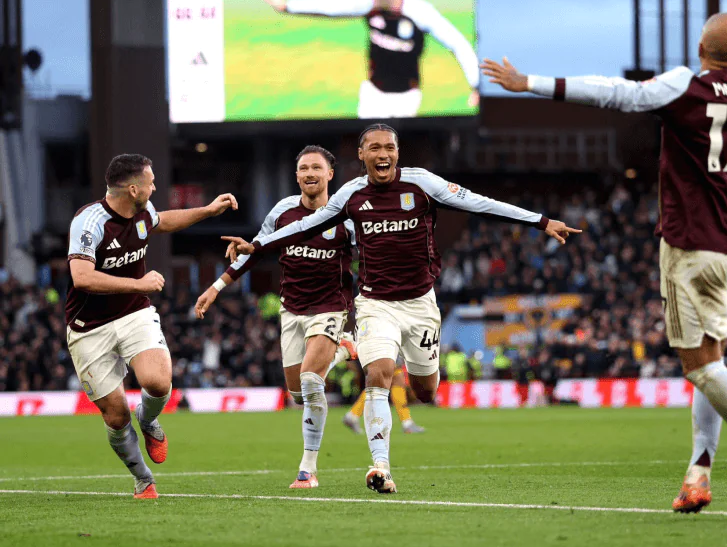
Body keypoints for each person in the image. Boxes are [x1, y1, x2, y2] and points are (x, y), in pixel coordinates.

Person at [482, 15, 727, 521]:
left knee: (701, 367)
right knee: (713, 362)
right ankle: (698, 475)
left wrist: (530, 83)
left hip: (690, 246)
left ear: (699, 48)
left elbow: (614, 93)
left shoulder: (685, 87)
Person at [222, 123, 580, 493]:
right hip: (375, 304)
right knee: (378, 374)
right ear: (361, 155)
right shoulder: (350, 194)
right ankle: (381, 467)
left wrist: (541, 221)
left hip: (421, 305)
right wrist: (257, 246)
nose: (383, 154)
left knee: (426, 391)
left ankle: (383, 371)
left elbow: (479, 203)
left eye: (389, 147)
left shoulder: (421, 184)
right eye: (374, 148)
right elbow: (307, 225)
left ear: (397, 152)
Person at [66, 154, 236, 499]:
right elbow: (81, 277)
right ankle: (143, 479)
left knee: (158, 382)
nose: (155, 187)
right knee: (116, 416)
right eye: (151, 182)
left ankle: (147, 419)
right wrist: (139, 284)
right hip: (89, 327)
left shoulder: (142, 211)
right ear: (133, 189)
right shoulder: (89, 221)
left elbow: (164, 221)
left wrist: (207, 211)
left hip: (134, 313)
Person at [194, 146, 356, 489]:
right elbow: (255, 250)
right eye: (303, 168)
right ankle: (343, 349)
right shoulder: (282, 211)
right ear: (296, 176)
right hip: (292, 310)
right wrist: (216, 287)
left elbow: (370, 255)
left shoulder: (344, 215)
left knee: (311, 382)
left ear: (330, 174)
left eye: (316, 167)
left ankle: (307, 469)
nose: (310, 173)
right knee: (297, 394)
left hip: (330, 305)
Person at [258, 0, 479, 119]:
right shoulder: (369, 4)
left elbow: (457, 44)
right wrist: (287, 6)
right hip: (373, 94)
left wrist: (476, 84)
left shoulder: (419, 12)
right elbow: (332, 7)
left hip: (406, 98)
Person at [343, 359, 426, 435]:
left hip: (384, 353)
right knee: (381, 383)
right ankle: (407, 422)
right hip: (383, 352)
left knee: (395, 378)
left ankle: (353, 415)